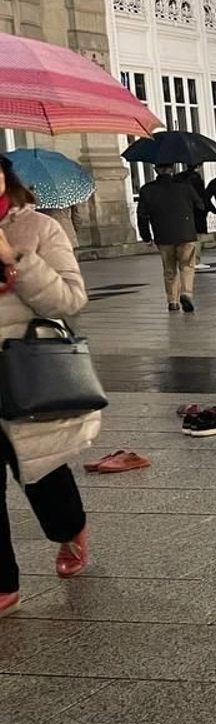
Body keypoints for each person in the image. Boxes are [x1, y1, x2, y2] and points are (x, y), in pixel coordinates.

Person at [0, 158, 96, 614]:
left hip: (24, 370)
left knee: (37, 469)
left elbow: (70, 300)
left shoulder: (38, 228)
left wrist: (14, 257)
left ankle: (69, 529)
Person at [136, 163, 204, 312]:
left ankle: (173, 301)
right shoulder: (185, 187)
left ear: (155, 170)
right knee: (187, 265)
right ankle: (186, 293)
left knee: (169, 269)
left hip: (163, 234)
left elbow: (142, 215)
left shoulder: (147, 190)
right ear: (172, 169)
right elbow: (200, 206)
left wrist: (146, 236)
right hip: (186, 233)